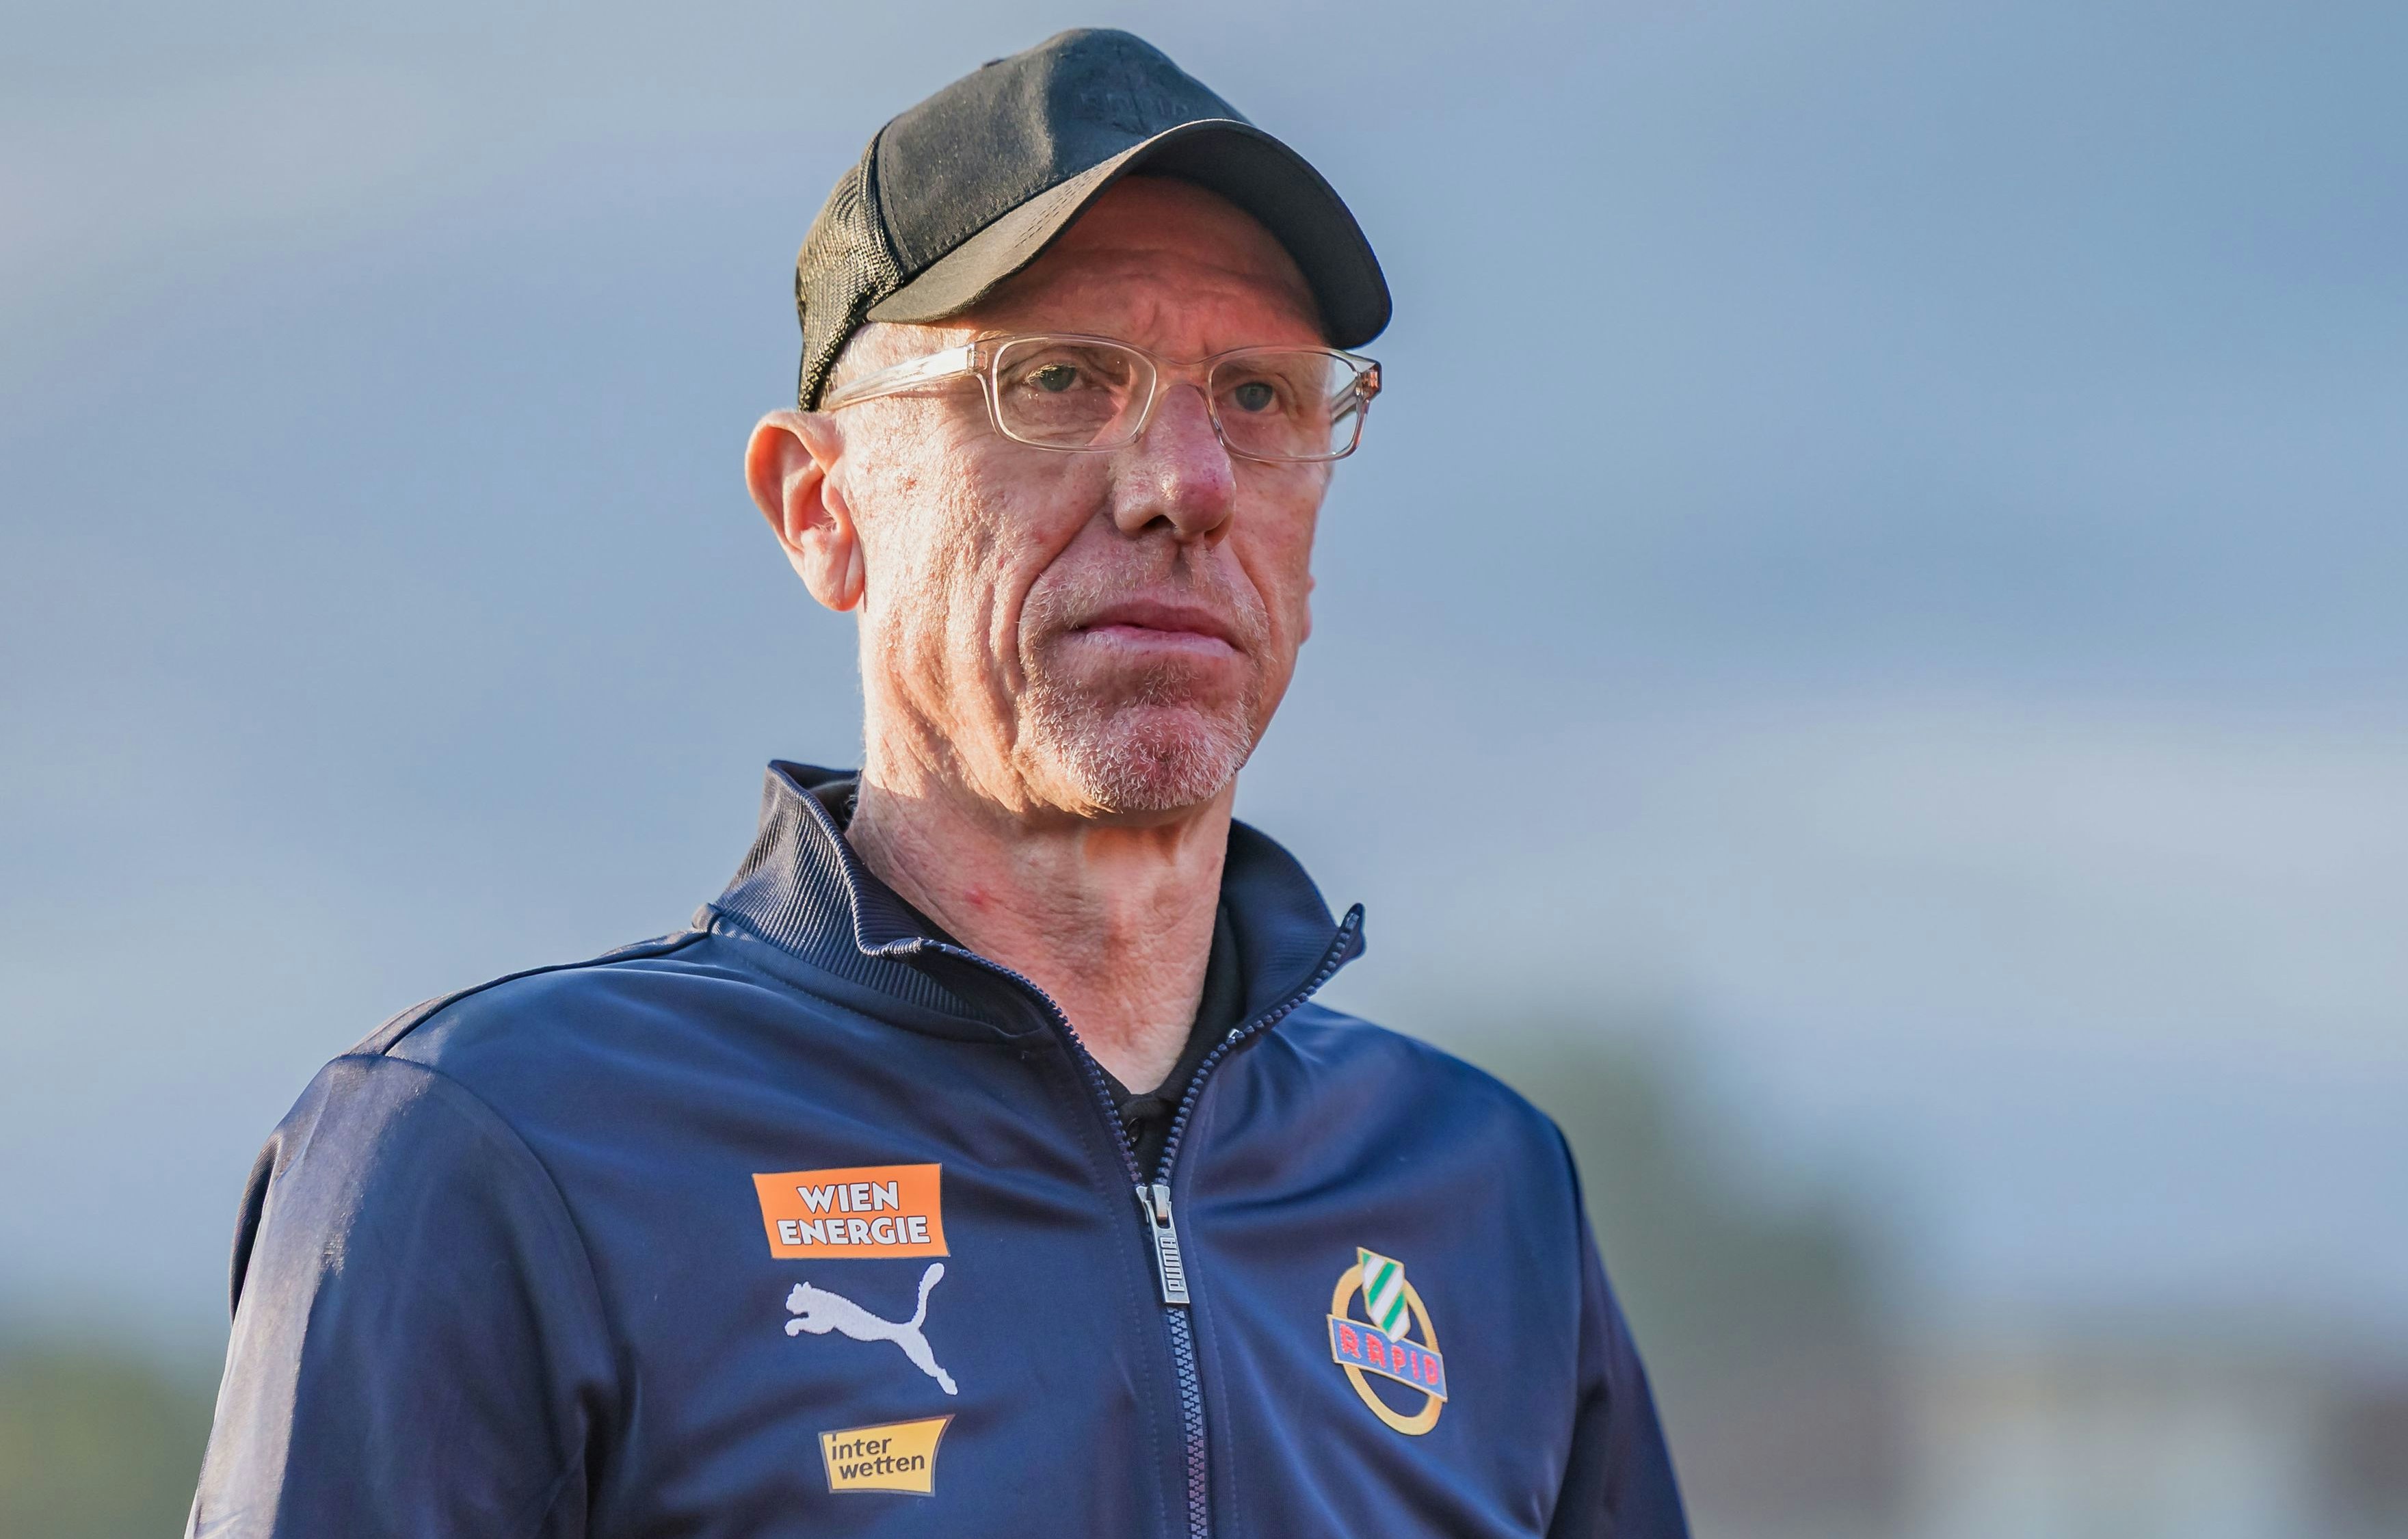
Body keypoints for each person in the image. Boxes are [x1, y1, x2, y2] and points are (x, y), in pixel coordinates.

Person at [190, 28, 1686, 1538]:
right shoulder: (495, 1150)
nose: (1187, 484)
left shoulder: (1481, 1191)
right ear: (820, 508)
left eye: (1260, 397)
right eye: (1056, 379)